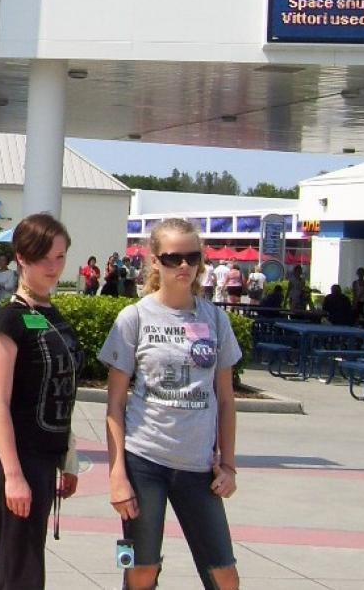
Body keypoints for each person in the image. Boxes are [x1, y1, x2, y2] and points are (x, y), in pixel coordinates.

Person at [99, 218, 241, 590]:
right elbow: (114, 406)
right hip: (144, 462)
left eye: (192, 257)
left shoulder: (216, 319)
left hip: (199, 468)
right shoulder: (134, 318)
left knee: (225, 576)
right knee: (139, 569)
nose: (184, 266)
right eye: (173, 257)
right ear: (154, 261)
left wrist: (228, 464)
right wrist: (117, 477)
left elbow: (226, 400)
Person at [0, 213, 81, 589]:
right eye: (44, 258)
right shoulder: (11, 319)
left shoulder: (51, 316)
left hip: (46, 459)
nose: (53, 267)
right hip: (16, 460)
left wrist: (68, 458)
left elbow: (62, 390)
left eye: (60, 257)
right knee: (22, 574)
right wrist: (14, 476)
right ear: (21, 257)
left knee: (8, 566)